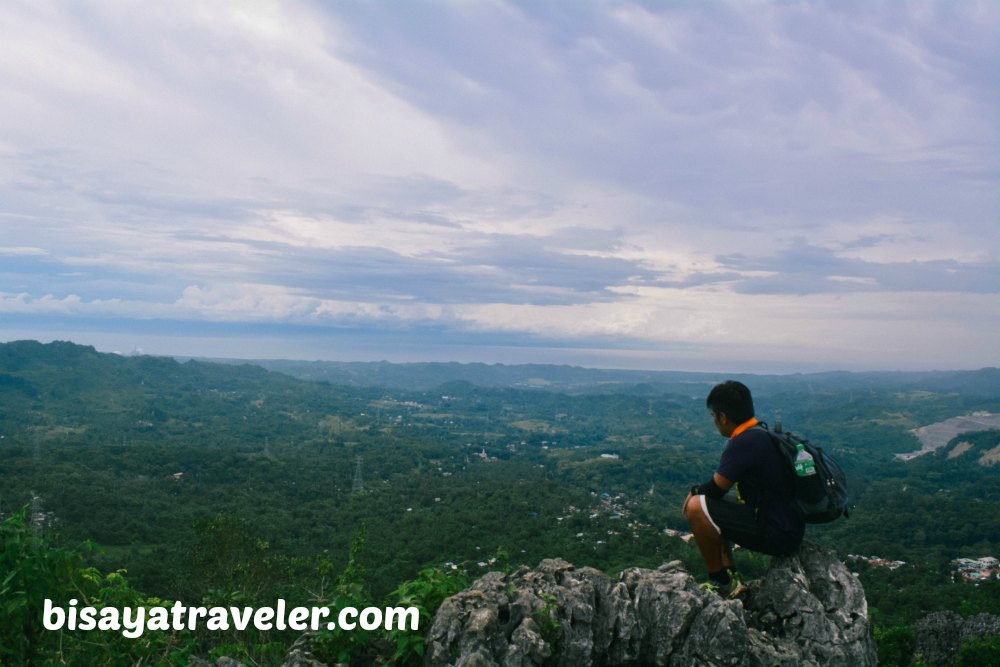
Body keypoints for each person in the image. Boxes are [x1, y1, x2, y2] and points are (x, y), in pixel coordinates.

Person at [682, 380, 804, 591]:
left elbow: (715, 489)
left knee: (696, 506)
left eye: (713, 416)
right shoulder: (762, 433)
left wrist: (693, 492)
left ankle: (720, 582)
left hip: (776, 531)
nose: (714, 421)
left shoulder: (744, 442)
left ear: (723, 417)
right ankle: (732, 576)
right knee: (709, 507)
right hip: (788, 527)